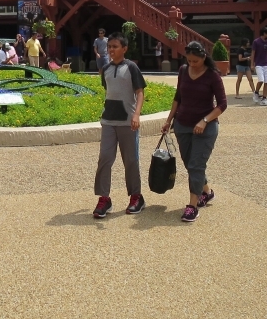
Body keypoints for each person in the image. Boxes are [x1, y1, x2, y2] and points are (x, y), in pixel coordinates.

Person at [161, 41, 227, 223]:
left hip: (205, 127)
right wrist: (168, 120)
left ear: (204, 58)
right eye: (189, 61)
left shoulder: (213, 76)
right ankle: (207, 192)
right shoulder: (183, 71)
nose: (192, 64)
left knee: (197, 165)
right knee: (190, 164)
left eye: (195, 61)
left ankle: (192, 206)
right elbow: (178, 97)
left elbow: (222, 104)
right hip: (182, 125)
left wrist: (205, 121)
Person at [93, 32, 147, 219]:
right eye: (109, 47)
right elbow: (109, 91)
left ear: (124, 49)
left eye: (115, 47)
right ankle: (104, 198)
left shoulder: (132, 67)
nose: (111, 50)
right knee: (105, 158)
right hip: (108, 121)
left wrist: (136, 114)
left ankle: (136, 196)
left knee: (130, 160)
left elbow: (140, 92)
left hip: (127, 122)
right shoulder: (106, 69)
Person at [250, 27, 267, 106]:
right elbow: (253, 53)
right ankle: (256, 92)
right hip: (259, 64)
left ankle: (264, 98)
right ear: (264, 33)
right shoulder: (256, 42)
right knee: (261, 80)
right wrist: (252, 64)